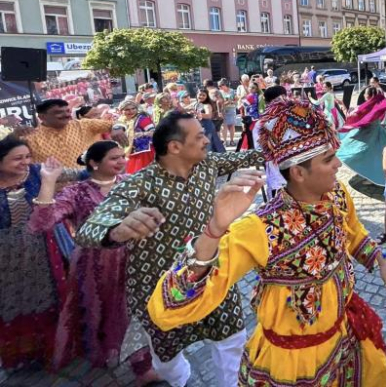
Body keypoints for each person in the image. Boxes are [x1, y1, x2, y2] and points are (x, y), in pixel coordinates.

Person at [147, 98, 386, 387]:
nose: (339, 165)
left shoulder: (337, 194)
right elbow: (168, 307)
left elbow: (352, 230)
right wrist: (215, 230)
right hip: (289, 364)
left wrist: (380, 260)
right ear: (298, 172)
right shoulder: (261, 228)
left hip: (342, 343)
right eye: (329, 159)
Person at [75, 112, 264, 387]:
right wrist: (117, 229)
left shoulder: (207, 165)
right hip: (158, 287)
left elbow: (249, 157)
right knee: (168, 357)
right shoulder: (139, 183)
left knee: (232, 338)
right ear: (175, 146)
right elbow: (89, 229)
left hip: (211, 273)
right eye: (199, 136)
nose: (207, 140)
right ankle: (181, 382)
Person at [28, 141, 158, 383]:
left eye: (122, 156)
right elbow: (41, 223)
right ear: (94, 163)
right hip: (96, 265)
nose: (122, 162)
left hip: (137, 259)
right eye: (114, 158)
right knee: (107, 313)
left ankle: (143, 366)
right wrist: (48, 181)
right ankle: (114, 357)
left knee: (137, 312)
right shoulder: (77, 192)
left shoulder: (131, 183)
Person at [0, 138, 80, 371]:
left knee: (54, 295)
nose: (25, 162)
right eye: (18, 158)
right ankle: (24, 354)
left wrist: (102, 168)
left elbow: (77, 174)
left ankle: (59, 349)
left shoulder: (36, 172)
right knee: (14, 300)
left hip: (47, 249)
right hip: (7, 257)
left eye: (27, 156)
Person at [19, 99, 115, 167]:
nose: (66, 115)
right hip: (56, 190)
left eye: (68, 111)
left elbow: (115, 125)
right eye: (58, 112)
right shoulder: (30, 138)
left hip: (91, 185)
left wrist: (118, 128)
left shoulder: (84, 125)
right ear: (42, 117)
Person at [336, 86, 386, 186]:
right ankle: (369, 174)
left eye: (365, 93)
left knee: (365, 154)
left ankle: (373, 178)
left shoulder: (367, 107)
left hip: (370, 134)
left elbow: (353, 117)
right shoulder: (376, 105)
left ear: (369, 96)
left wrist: (343, 107)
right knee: (374, 156)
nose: (363, 95)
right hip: (376, 132)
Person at [117, 99, 156, 174]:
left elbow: (154, 132)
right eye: (127, 110)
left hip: (143, 152)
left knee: (143, 174)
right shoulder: (121, 121)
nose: (131, 111)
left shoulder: (142, 119)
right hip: (128, 151)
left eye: (133, 109)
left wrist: (142, 134)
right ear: (121, 111)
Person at [195, 88, 226, 153]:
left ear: (207, 97)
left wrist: (198, 114)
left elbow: (209, 115)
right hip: (200, 127)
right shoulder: (196, 104)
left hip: (207, 128)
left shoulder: (207, 105)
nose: (201, 96)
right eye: (200, 94)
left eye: (204, 95)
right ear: (197, 94)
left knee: (208, 146)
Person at [218, 79, 238, 147]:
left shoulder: (232, 91)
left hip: (231, 109)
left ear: (224, 85)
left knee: (232, 126)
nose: (219, 87)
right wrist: (227, 102)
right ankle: (225, 141)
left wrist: (232, 101)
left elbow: (236, 99)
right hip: (223, 111)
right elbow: (219, 103)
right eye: (219, 86)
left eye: (220, 86)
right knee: (224, 126)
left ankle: (232, 141)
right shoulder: (219, 92)